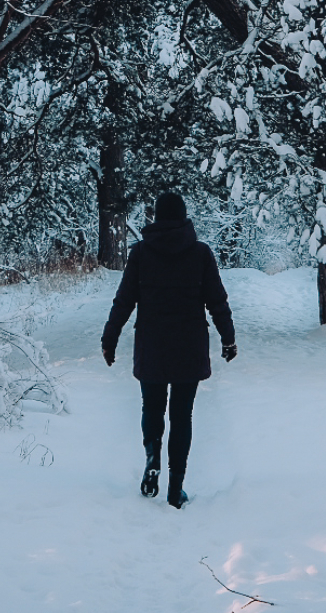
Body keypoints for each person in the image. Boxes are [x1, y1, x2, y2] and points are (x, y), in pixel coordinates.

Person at [101, 192, 236, 508]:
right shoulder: (201, 254)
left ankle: (152, 454)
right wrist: (228, 339)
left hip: (152, 344)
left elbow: (124, 301)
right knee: (182, 416)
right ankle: (175, 490)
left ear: (157, 218)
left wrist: (110, 338)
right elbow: (218, 301)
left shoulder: (141, 254)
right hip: (189, 345)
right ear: (184, 217)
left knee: (152, 407)